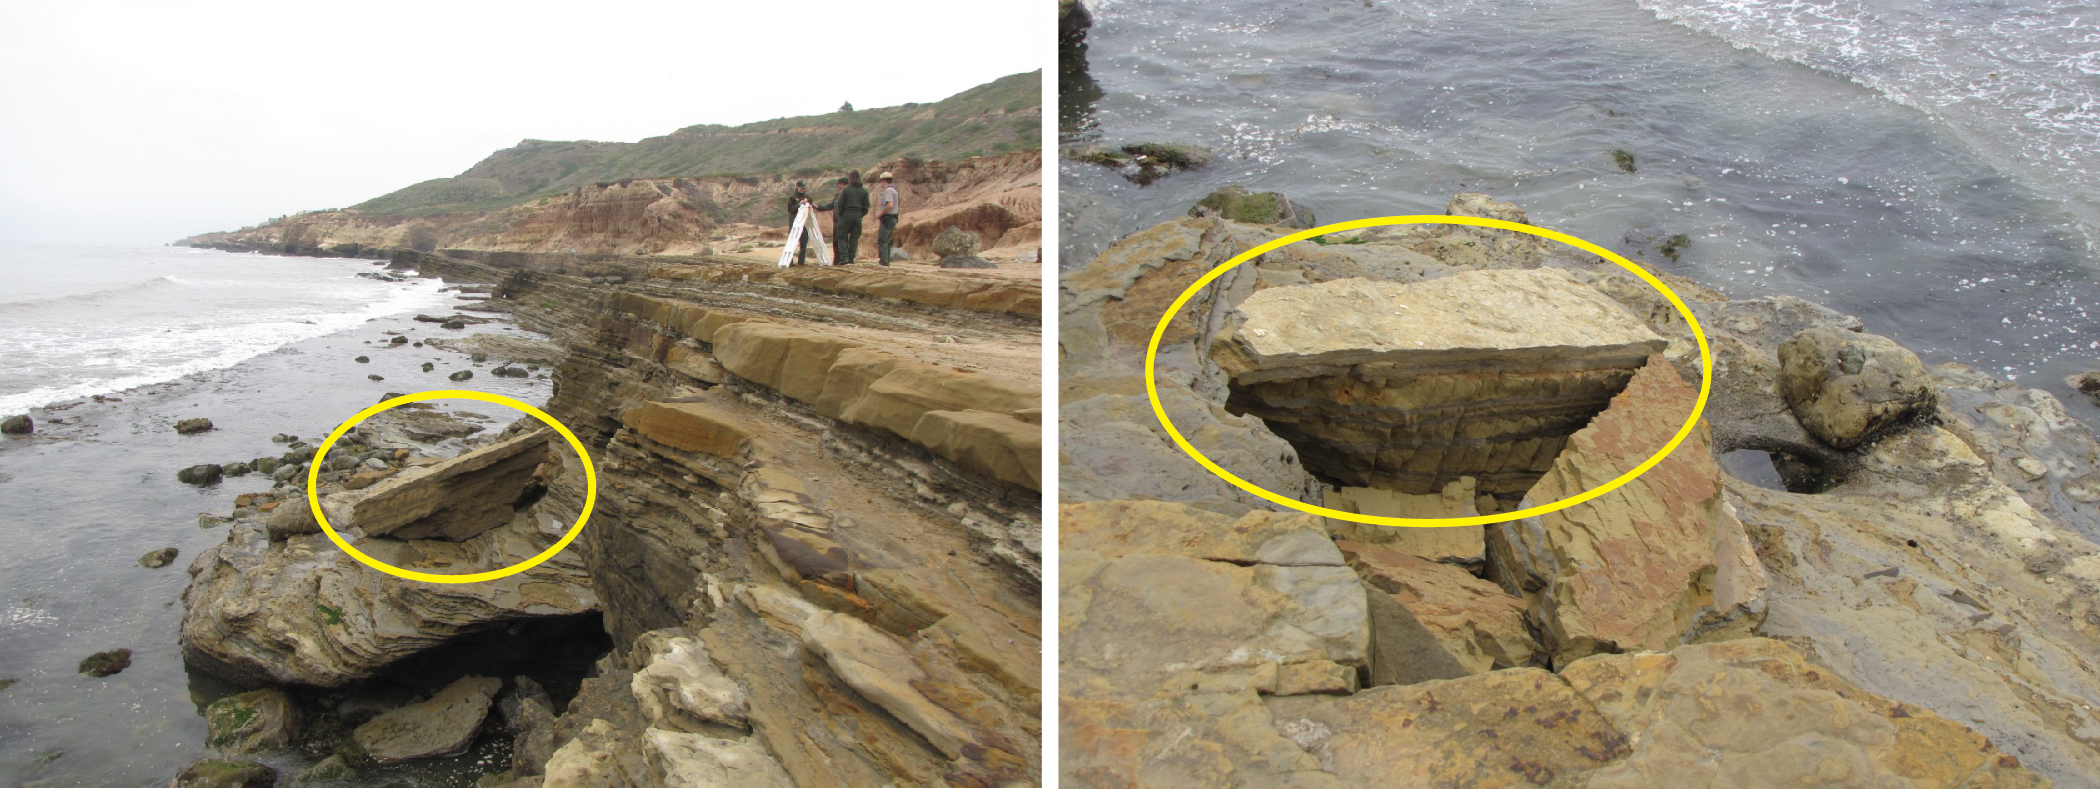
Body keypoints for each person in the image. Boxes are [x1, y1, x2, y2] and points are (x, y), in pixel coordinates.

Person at [814, 172, 870, 265]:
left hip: (845, 216)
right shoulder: (864, 190)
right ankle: (851, 259)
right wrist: (860, 215)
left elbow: (840, 204)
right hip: (858, 216)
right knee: (854, 238)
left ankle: (844, 258)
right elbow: (866, 206)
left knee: (841, 237)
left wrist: (841, 215)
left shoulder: (846, 190)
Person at [874, 171, 901, 266]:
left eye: (880, 181)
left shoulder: (888, 191)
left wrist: (880, 213)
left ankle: (884, 262)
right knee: (887, 241)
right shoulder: (894, 190)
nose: (880, 183)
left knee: (882, 240)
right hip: (893, 217)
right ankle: (886, 260)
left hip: (887, 218)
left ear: (884, 180)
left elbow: (889, 205)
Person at [785, 181, 813, 265]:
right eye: (801, 188)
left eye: (804, 188)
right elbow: (791, 210)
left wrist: (807, 203)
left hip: (804, 223)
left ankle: (801, 262)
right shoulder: (792, 197)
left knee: (803, 243)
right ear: (797, 187)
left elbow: (811, 203)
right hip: (794, 223)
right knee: (792, 243)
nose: (803, 189)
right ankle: (790, 262)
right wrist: (799, 204)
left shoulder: (807, 197)